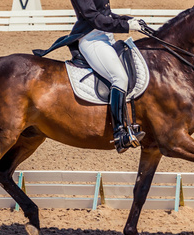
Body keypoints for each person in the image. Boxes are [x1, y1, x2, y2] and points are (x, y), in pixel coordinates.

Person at [33, 0, 145, 153]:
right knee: (119, 78)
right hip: (92, 39)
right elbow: (94, 18)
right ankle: (120, 133)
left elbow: (105, 14)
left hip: (106, 37)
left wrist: (128, 19)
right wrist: (125, 26)